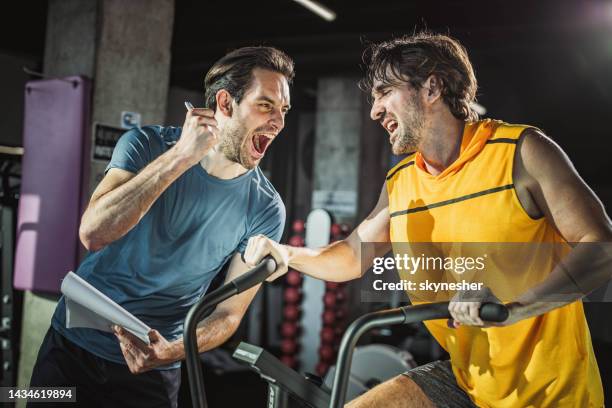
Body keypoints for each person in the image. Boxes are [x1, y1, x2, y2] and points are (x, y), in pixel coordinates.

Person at [244, 33, 611, 407]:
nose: (374, 110)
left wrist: (512, 309)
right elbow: (351, 257)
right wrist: (288, 254)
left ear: (432, 87)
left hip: (551, 394)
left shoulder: (521, 153)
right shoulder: (402, 183)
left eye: (385, 91)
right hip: (467, 381)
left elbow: (601, 246)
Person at [29, 46, 293, 407]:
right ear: (225, 104)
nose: (279, 121)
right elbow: (94, 233)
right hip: (71, 349)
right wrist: (181, 157)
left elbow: (228, 314)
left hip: (153, 370)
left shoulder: (266, 208)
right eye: (266, 105)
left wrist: (173, 351)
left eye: (283, 110)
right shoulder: (145, 144)